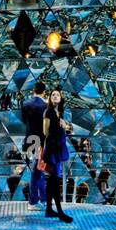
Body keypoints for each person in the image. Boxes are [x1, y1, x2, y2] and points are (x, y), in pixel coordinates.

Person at [41, 90, 73, 223]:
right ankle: (59, 211)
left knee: (52, 181)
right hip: (53, 149)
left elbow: (68, 128)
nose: (55, 96)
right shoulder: (48, 112)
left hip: (59, 148)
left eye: (57, 95)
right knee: (54, 180)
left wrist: (64, 125)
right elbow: (45, 131)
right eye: (53, 95)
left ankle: (49, 209)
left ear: (61, 98)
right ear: (50, 98)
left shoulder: (59, 113)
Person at [20, 82, 47, 206]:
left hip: (30, 140)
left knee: (36, 171)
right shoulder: (46, 105)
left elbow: (24, 121)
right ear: (44, 91)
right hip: (41, 142)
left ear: (33, 91)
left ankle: (42, 198)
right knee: (38, 170)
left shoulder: (25, 104)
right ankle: (34, 200)